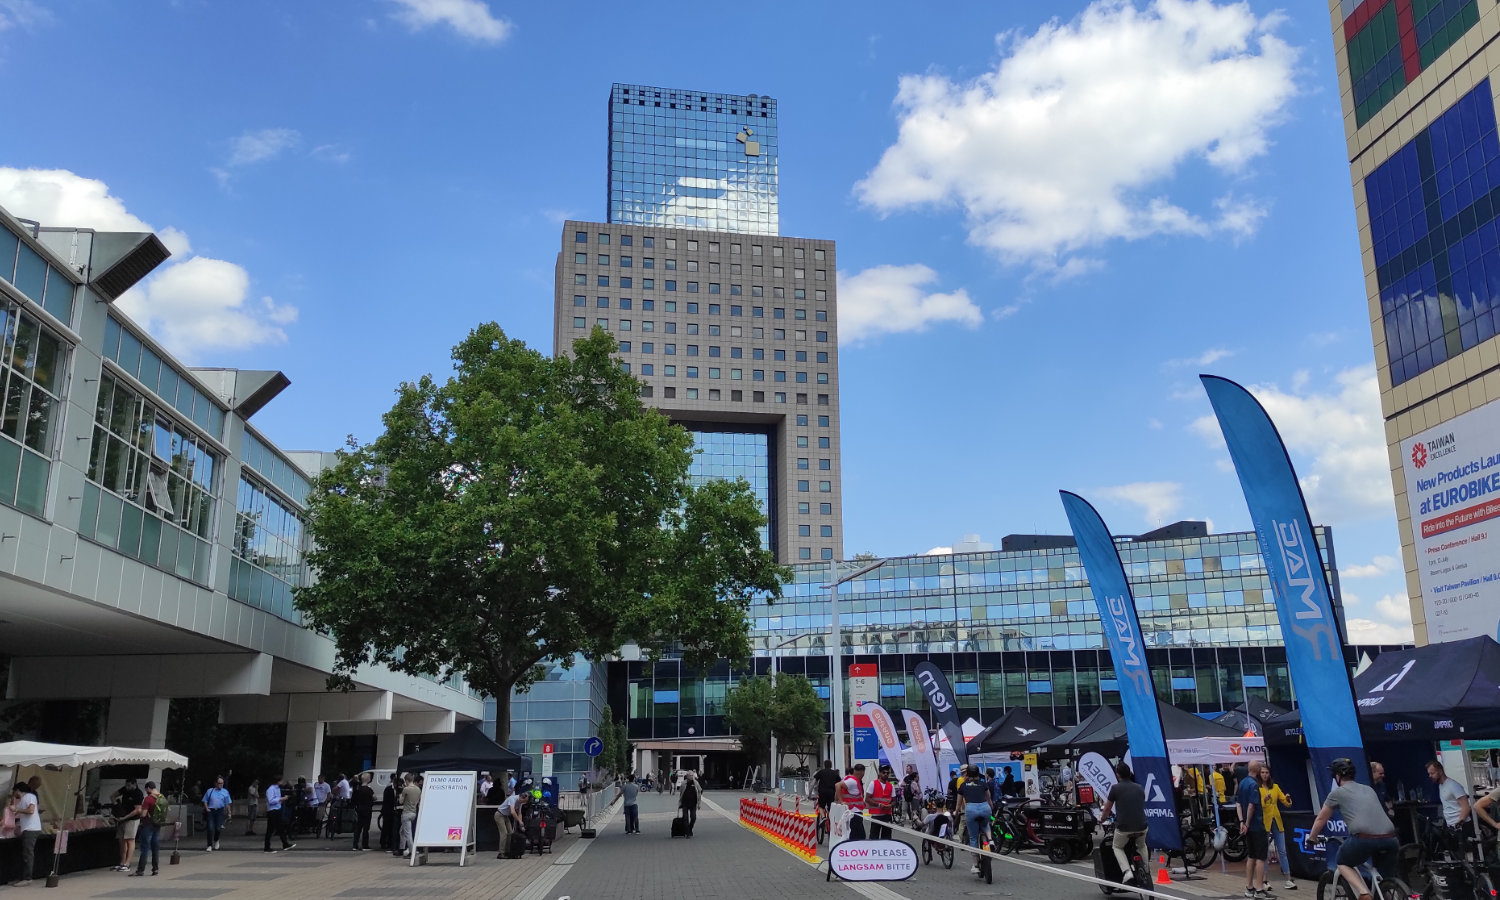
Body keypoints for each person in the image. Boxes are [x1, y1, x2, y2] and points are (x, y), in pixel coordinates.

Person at [1310, 758, 1399, 900]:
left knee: (1342, 862)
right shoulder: (1368, 789)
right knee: (1384, 881)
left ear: (1337, 776)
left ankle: (1364, 893)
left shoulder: (1337, 793)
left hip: (1364, 839)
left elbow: (1321, 819)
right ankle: (1386, 893)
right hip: (1391, 839)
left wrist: (1312, 837)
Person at [1101, 762, 1147, 886]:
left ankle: (1127, 871)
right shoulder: (1139, 787)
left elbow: (1107, 808)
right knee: (1141, 845)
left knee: (1117, 846)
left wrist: (1102, 819)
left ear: (1118, 775)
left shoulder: (1115, 788)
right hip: (1142, 825)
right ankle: (1146, 869)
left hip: (1124, 828)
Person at [1259, 764, 1296, 891]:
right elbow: (1257, 805)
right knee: (1264, 852)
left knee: (1282, 851)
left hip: (1276, 820)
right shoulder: (1257, 788)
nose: (1265, 775)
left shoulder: (1275, 787)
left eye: (1266, 772)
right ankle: (1264, 880)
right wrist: (1264, 800)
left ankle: (1288, 879)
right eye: (1262, 772)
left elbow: (1286, 802)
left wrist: (1288, 799)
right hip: (1264, 821)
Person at [1237, 760, 1269, 900]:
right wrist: (1248, 823)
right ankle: (1259, 889)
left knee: (1251, 856)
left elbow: (1238, 803)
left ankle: (1249, 887)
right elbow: (1251, 806)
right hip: (1256, 825)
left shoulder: (1242, 782)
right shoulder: (1254, 785)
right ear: (1257, 770)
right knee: (1261, 858)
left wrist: (1241, 822)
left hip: (1247, 826)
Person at [956, 764, 992, 875]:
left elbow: (959, 803)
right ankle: (990, 840)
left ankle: (975, 865)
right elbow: (989, 798)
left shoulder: (963, 785)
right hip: (985, 808)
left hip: (971, 809)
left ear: (968, 774)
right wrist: (991, 807)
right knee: (986, 824)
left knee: (973, 837)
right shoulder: (983, 784)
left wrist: (956, 812)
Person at [126, 781, 164, 878]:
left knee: (145, 848)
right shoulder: (162, 797)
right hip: (158, 825)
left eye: (146, 789)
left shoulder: (148, 799)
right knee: (155, 848)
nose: (146, 791)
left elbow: (143, 814)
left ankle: (140, 870)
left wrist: (141, 812)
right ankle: (155, 869)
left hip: (148, 825)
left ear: (148, 788)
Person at [111, 776, 145, 872]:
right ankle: (122, 862)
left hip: (132, 819)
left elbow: (137, 810)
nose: (127, 787)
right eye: (126, 785)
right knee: (121, 840)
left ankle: (127, 863)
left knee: (130, 839)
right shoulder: (124, 790)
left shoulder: (138, 793)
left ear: (135, 784)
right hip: (122, 817)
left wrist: (125, 817)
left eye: (129, 785)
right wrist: (116, 807)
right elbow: (112, 795)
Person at [10, 782, 41, 885]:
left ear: (18, 790)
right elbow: (14, 811)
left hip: (31, 829)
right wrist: (14, 801)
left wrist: (17, 809)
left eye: (15, 792)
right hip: (26, 829)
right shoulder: (22, 800)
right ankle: (22, 876)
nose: (14, 794)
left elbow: (31, 810)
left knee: (28, 853)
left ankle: (28, 878)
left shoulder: (30, 796)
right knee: (25, 853)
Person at [1429, 759, 1471, 828]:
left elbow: (1466, 807)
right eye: (1429, 774)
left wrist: (1459, 824)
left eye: (1432, 773)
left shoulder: (1453, 785)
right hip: (1451, 825)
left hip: (1462, 826)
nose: (1430, 776)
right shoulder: (1441, 786)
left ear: (1440, 771)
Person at [263, 775, 294, 853]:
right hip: (272, 811)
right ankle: (267, 847)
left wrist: (281, 800)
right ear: (278, 781)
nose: (283, 782)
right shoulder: (271, 789)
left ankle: (285, 844)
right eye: (281, 780)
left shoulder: (277, 788)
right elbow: (271, 800)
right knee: (270, 829)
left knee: (281, 828)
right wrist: (281, 799)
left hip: (277, 809)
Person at [838, 764, 868, 841]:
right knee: (859, 836)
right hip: (854, 813)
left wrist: (838, 799)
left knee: (854, 835)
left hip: (851, 812)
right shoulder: (853, 781)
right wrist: (841, 801)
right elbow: (837, 785)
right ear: (862, 772)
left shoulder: (849, 779)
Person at [202, 775, 232, 851]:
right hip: (211, 810)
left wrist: (229, 813)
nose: (221, 785)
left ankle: (216, 840)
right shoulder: (210, 791)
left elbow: (227, 803)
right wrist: (207, 808)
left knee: (218, 828)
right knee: (210, 828)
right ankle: (209, 845)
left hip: (220, 811)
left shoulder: (225, 792)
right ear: (216, 783)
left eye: (222, 783)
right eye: (219, 783)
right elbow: (205, 800)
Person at [495, 785, 524, 856]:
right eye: (524, 800)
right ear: (521, 797)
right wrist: (519, 821)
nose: (524, 802)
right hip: (499, 815)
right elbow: (513, 812)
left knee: (510, 833)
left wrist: (521, 824)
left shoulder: (520, 802)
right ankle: (501, 852)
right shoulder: (512, 799)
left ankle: (507, 851)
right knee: (504, 833)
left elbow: (519, 813)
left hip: (506, 816)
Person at [868, 765, 895, 840]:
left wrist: (890, 805)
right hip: (876, 815)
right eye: (883, 772)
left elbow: (894, 800)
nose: (886, 774)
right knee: (874, 837)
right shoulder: (873, 783)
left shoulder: (891, 786)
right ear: (879, 773)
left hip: (887, 815)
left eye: (887, 773)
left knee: (886, 838)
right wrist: (878, 805)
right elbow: (867, 799)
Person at [398, 774, 421, 856]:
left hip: (406, 813)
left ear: (407, 780)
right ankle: (401, 848)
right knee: (402, 831)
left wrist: (400, 795)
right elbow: (418, 801)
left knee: (408, 834)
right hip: (413, 812)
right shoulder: (418, 789)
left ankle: (412, 852)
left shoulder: (406, 789)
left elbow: (401, 801)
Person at [380, 774, 400, 851]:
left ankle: (390, 843)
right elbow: (386, 801)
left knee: (392, 827)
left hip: (393, 811)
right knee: (386, 827)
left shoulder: (398, 790)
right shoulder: (388, 789)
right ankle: (383, 843)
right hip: (387, 811)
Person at [678, 771, 700, 837]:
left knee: (693, 817)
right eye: (690, 775)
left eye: (692, 775)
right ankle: (687, 832)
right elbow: (681, 793)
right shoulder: (683, 783)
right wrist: (680, 802)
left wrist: (699, 803)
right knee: (685, 818)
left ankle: (690, 828)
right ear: (687, 776)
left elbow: (699, 791)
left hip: (693, 803)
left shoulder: (695, 783)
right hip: (685, 803)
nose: (691, 776)